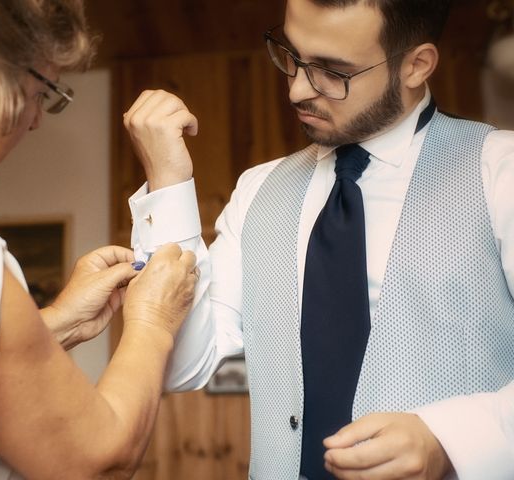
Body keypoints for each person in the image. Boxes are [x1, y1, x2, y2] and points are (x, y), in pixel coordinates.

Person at [123, 0, 514, 478]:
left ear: (416, 65)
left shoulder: (500, 171)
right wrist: (168, 185)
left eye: (332, 71)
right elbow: (182, 363)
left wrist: (449, 440)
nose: (296, 89)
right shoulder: (258, 191)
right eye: (292, 55)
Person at [0, 1, 199, 479]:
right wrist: (153, 321)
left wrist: (56, 323)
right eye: (39, 92)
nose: (35, 121)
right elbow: (97, 460)